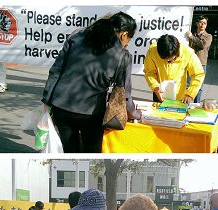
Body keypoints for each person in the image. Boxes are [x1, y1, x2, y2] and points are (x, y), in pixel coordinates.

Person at [42, 12, 141, 153]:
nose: (126, 45)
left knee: (70, 151)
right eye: (128, 41)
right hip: (91, 113)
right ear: (124, 35)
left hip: (61, 106)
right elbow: (123, 93)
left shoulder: (77, 36)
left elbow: (56, 70)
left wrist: (46, 100)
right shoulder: (122, 55)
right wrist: (135, 114)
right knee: (91, 154)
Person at [144, 34, 205, 104]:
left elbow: (198, 74)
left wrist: (190, 94)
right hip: (159, 94)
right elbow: (149, 72)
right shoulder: (152, 51)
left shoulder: (187, 52)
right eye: (165, 60)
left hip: (180, 97)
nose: (168, 63)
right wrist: (155, 87)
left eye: (172, 60)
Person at [186, 15, 213, 103]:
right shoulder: (191, 34)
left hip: (201, 63)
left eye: (205, 23)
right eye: (201, 22)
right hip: (190, 62)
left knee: (199, 86)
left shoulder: (208, 36)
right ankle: (186, 102)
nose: (203, 25)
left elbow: (203, 45)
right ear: (197, 23)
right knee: (188, 85)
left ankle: (196, 104)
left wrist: (192, 38)